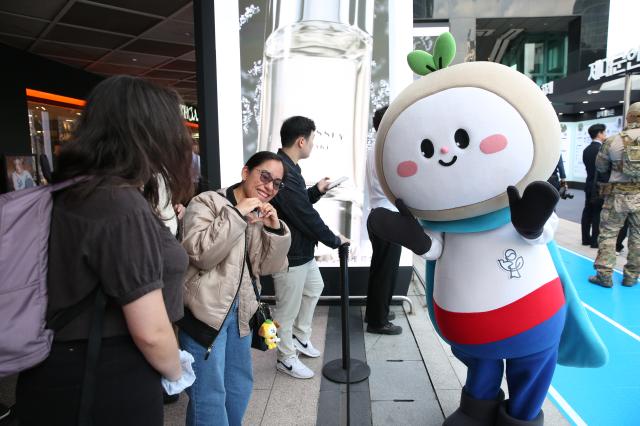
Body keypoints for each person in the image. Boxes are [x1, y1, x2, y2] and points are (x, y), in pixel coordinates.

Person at [15, 75, 195, 425]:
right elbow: (151, 331)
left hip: (53, 368)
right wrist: (176, 369)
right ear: (148, 133)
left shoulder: (72, 189)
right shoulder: (118, 202)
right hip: (105, 375)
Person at [178, 151, 291, 425]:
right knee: (208, 396)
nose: (269, 187)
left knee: (239, 387)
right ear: (245, 172)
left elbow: (268, 266)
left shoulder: (258, 213)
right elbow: (200, 253)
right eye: (265, 176)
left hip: (242, 314)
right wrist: (237, 214)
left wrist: (275, 229)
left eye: (276, 183)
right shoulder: (207, 202)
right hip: (206, 315)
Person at [271, 116, 349, 379]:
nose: (313, 144)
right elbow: (304, 215)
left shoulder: (289, 167)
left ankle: (300, 337)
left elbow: (298, 203)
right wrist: (334, 240)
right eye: (313, 139)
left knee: (315, 287)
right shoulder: (282, 169)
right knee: (285, 309)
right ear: (301, 140)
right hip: (289, 254)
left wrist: (317, 190)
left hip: (301, 250)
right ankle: (285, 357)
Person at [589, 102, 640, 288]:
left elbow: (600, 166)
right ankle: (631, 277)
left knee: (609, 234)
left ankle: (604, 276)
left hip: (617, 196)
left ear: (629, 118)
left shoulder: (612, 140)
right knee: (638, 236)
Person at [364, 106, 402, 335]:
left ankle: (377, 312)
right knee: (385, 271)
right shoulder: (387, 150)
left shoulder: (375, 147)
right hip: (388, 217)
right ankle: (378, 321)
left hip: (379, 214)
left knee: (380, 269)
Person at [581, 123, 607, 248]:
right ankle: (594, 241)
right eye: (604, 133)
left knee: (587, 211)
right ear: (599, 134)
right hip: (599, 185)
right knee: (597, 212)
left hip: (588, 183)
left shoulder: (586, 150)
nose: (605, 135)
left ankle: (585, 239)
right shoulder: (601, 150)